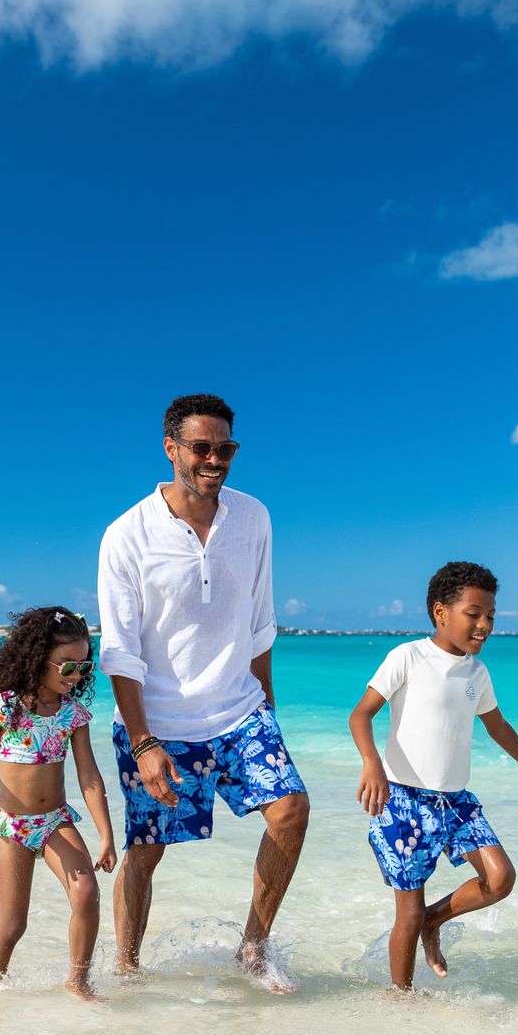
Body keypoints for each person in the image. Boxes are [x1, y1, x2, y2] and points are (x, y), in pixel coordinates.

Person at [98, 393, 311, 989]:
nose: (214, 460)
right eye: (201, 448)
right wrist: (142, 742)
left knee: (291, 810)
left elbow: (261, 620)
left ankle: (252, 947)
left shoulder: (255, 518)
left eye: (225, 449)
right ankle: (127, 968)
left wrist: (267, 707)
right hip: (158, 724)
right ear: (171, 449)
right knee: (146, 852)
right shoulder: (126, 534)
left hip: (240, 710)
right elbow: (119, 650)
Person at [350, 562, 518, 991]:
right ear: (440, 612)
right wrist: (372, 764)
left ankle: (434, 920)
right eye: (474, 613)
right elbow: (361, 714)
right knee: (406, 913)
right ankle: (402, 1000)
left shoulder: (477, 673)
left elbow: (498, 727)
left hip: (455, 801)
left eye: (490, 617)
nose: (484, 625)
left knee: (500, 878)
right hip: (402, 802)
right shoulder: (407, 657)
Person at [0, 606, 118, 1001]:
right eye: (66, 667)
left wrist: (106, 835)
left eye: (83, 667)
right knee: (12, 926)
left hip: (55, 822)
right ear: (37, 658)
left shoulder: (73, 715)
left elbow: (89, 777)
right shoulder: (5, 707)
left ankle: (78, 982)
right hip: (12, 827)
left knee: (86, 896)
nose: (76, 675)